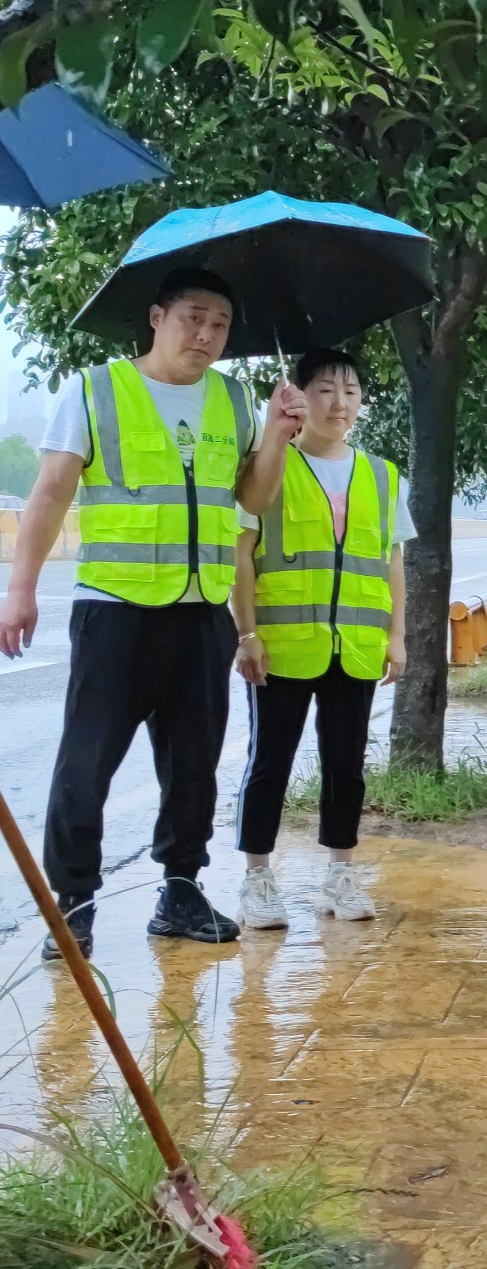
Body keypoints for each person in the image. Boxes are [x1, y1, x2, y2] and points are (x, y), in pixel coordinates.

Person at [0, 268, 307, 959]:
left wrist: (279, 436)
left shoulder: (235, 400)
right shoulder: (96, 390)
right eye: (193, 318)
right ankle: (73, 902)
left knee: (194, 765)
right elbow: (50, 491)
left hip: (202, 613)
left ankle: (181, 891)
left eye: (219, 325)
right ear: (157, 316)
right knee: (86, 765)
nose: (206, 335)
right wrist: (19, 591)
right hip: (116, 611)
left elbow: (252, 499)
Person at [232, 348, 411, 929]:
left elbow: (391, 561)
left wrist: (396, 636)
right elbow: (241, 555)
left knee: (346, 764)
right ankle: (258, 878)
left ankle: (341, 873)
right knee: (270, 763)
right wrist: (247, 634)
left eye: (351, 392)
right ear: (299, 397)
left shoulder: (382, 475)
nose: (340, 403)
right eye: (326, 390)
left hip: (355, 646)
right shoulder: (268, 468)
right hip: (282, 646)